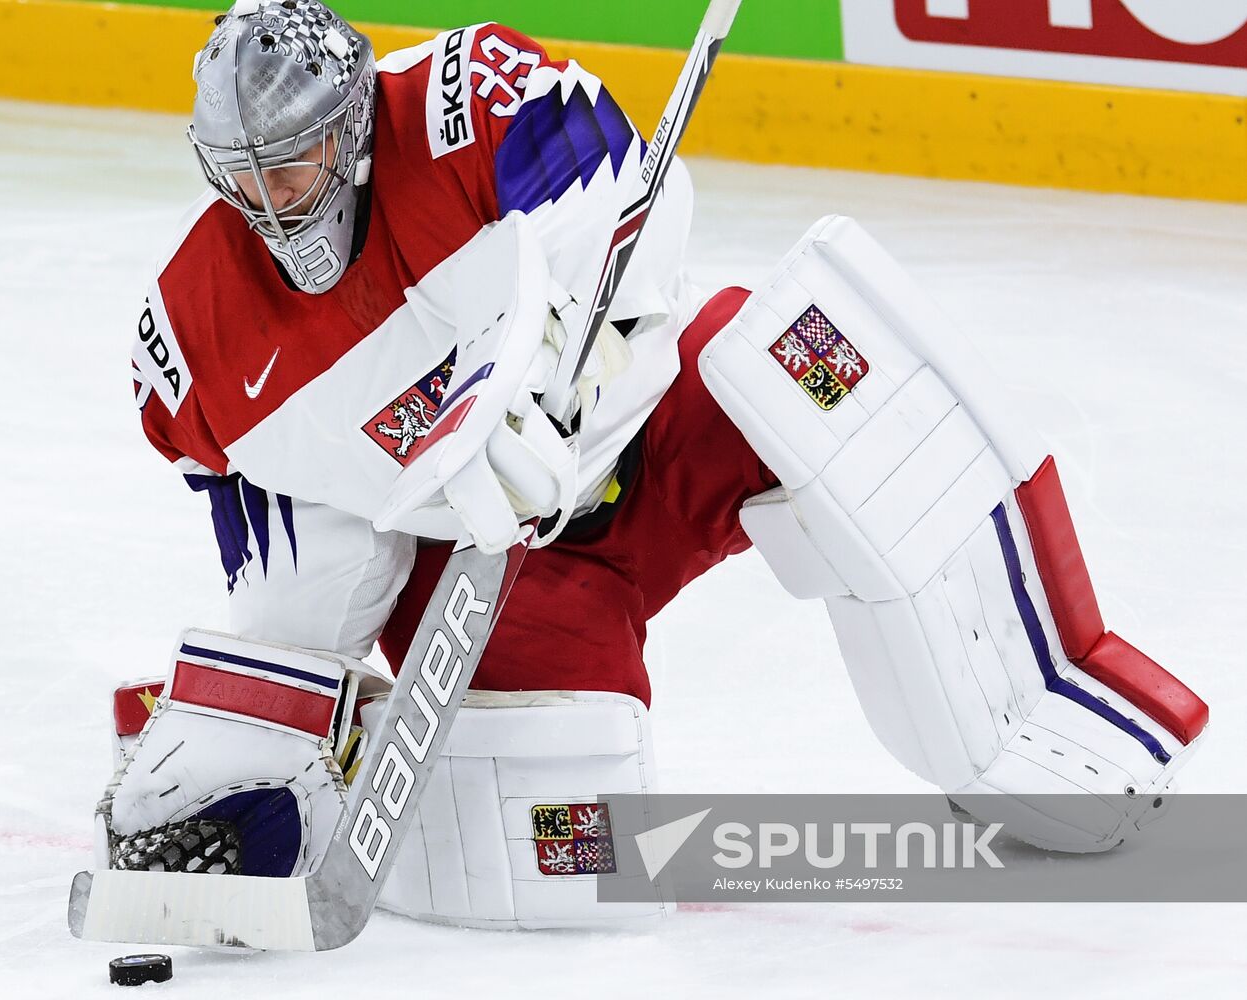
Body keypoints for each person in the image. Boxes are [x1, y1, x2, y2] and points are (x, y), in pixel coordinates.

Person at [105, 0, 1208, 931]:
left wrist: (549, 385)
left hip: (659, 440)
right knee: (575, 863)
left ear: (349, 133)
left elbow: (632, 217)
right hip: (499, 585)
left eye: (291, 170)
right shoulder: (193, 336)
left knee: (822, 354)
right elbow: (305, 565)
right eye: (242, 180)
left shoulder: (461, 93)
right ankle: (349, 763)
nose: (269, 205)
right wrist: (259, 724)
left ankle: (1038, 700)